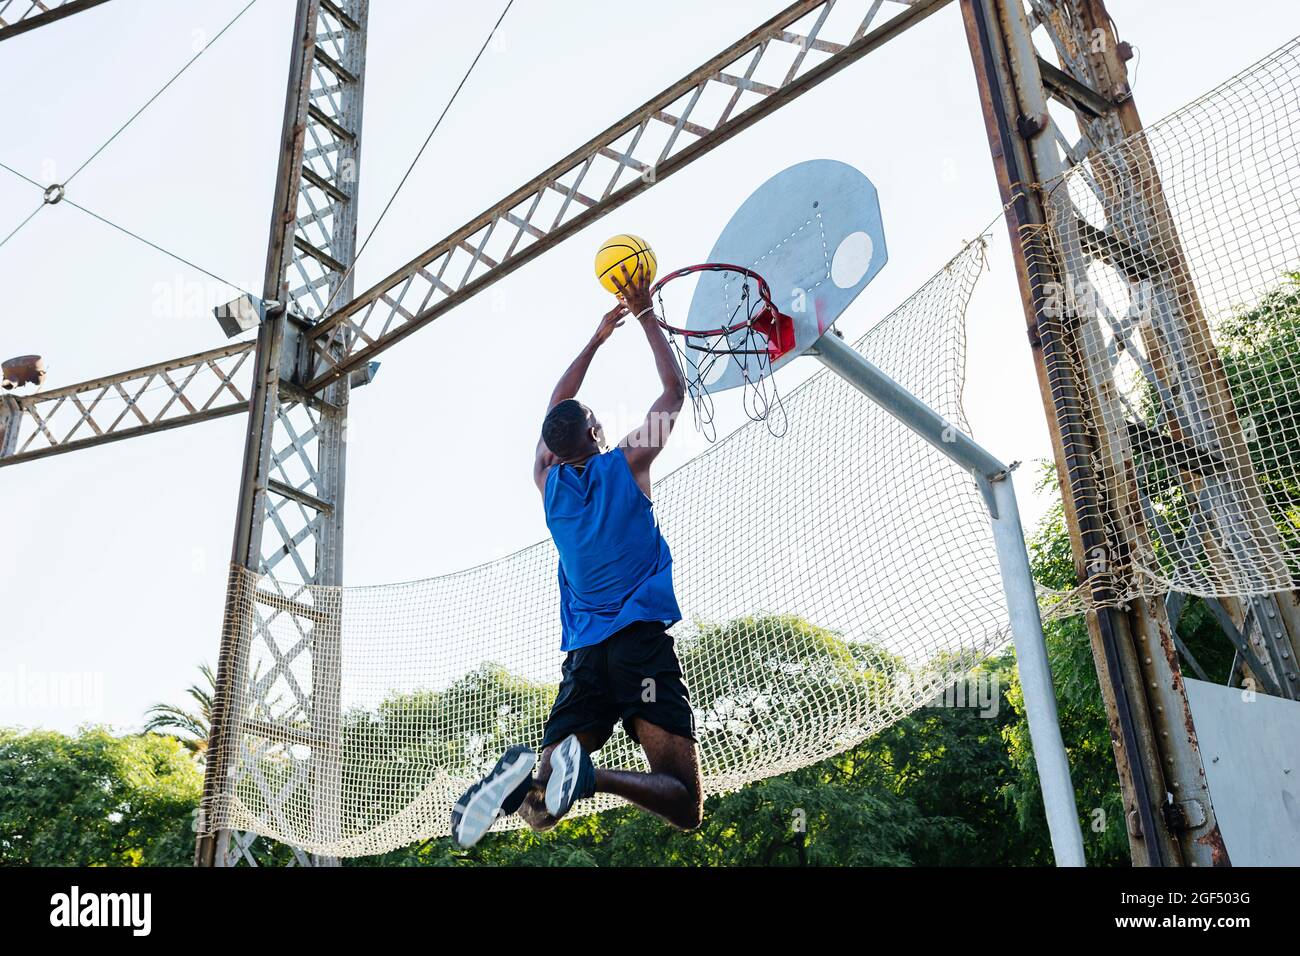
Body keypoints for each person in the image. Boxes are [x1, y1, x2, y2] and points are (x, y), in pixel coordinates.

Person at [451, 266, 703, 848]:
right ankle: (590, 776)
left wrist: (593, 340)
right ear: (595, 429)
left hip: (584, 659)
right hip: (638, 644)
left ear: (553, 448)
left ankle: (532, 777)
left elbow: (555, 406)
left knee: (538, 811)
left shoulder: (548, 486)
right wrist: (642, 315)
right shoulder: (628, 462)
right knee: (685, 802)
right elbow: (673, 393)